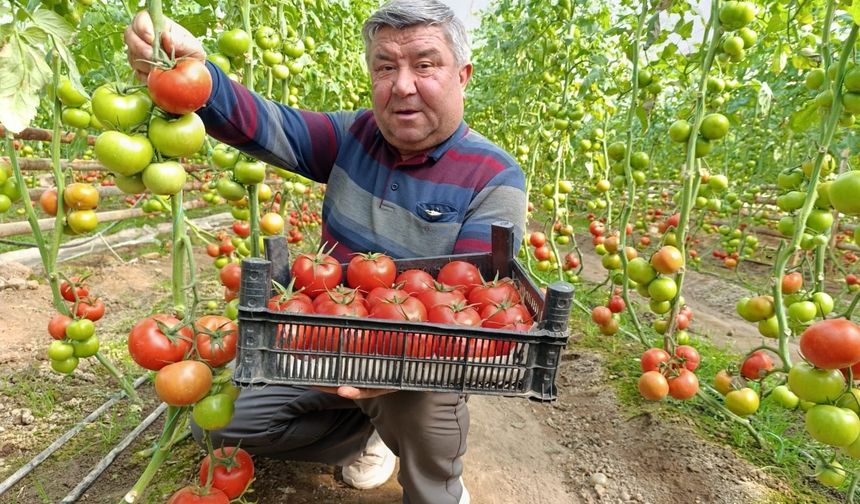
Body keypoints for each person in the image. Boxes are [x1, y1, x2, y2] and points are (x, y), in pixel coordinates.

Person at [125, 1, 526, 503]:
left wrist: (391, 373)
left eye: (425, 65)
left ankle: (434, 482)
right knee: (223, 428)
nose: (402, 85)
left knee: (427, 422)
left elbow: (470, 311)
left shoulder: (494, 176)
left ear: (462, 76)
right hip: (324, 336)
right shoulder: (352, 136)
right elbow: (268, 124)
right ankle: (359, 438)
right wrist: (197, 75)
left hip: (416, 362)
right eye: (385, 67)